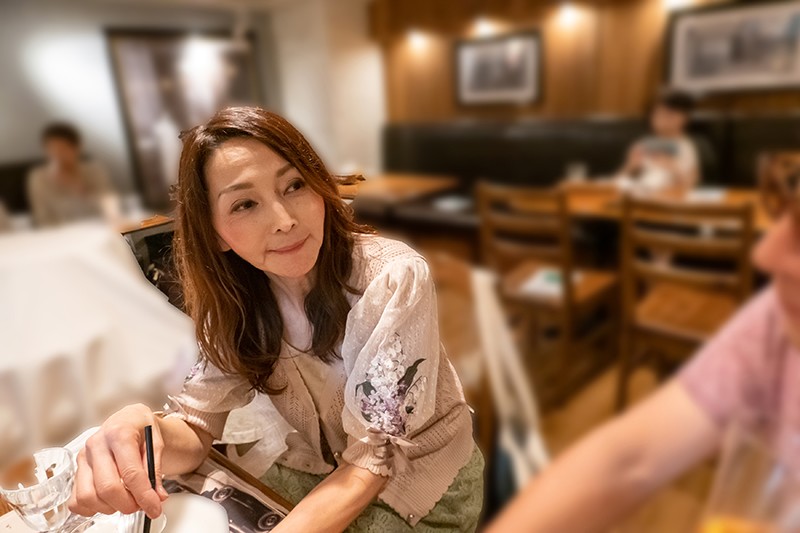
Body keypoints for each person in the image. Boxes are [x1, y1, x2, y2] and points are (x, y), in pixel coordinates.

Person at [67, 107, 484, 532]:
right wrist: (144, 432)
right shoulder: (237, 300)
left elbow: (373, 458)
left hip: (418, 485)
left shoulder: (390, 278)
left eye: (295, 185)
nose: (285, 221)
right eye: (245, 204)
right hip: (327, 469)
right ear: (215, 232)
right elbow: (196, 427)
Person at [485, 156, 800, 532]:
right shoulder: (775, 321)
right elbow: (628, 462)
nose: (764, 254)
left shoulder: (690, 150)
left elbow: (689, 181)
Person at [27, 122, 117, 227]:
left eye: (63, 148)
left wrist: (77, 186)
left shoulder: (94, 170)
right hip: (62, 232)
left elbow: (108, 203)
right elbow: (43, 218)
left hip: (98, 226)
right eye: (51, 149)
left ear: (77, 148)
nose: (57, 154)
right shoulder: (39, 178)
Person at [618, 91, 700, 192]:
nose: (662, 119)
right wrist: (631, 166)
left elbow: (691, 184)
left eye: (669, 115)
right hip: (639, 192)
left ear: (684, 119)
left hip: (668, 195)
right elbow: (620, 180)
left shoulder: (685, 146)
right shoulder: (642, 144)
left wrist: (673, 168)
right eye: (657, 114)